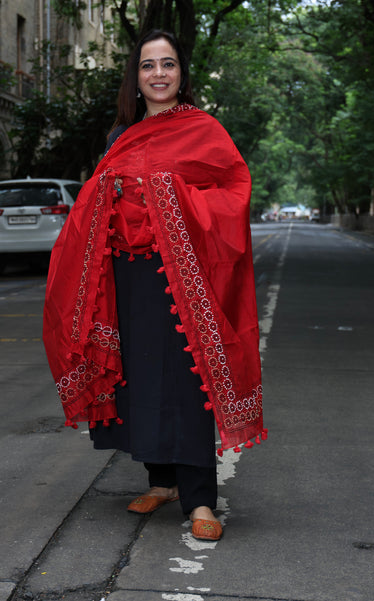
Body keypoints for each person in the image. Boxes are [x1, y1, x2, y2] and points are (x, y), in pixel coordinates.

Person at [43, 29, 265, 542]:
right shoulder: (120, 137)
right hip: (125, 273)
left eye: (168, 64)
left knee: (187, 379)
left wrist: (162, 192)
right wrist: (112, 192)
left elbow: (234, 191)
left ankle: (201, 499)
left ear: (181, 74)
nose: (159, 74)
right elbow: (93, 202)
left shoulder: (203, 130)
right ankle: (160, 480)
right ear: (135, 77)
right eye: (148, 66)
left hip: (181, 275)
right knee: (139, 377)